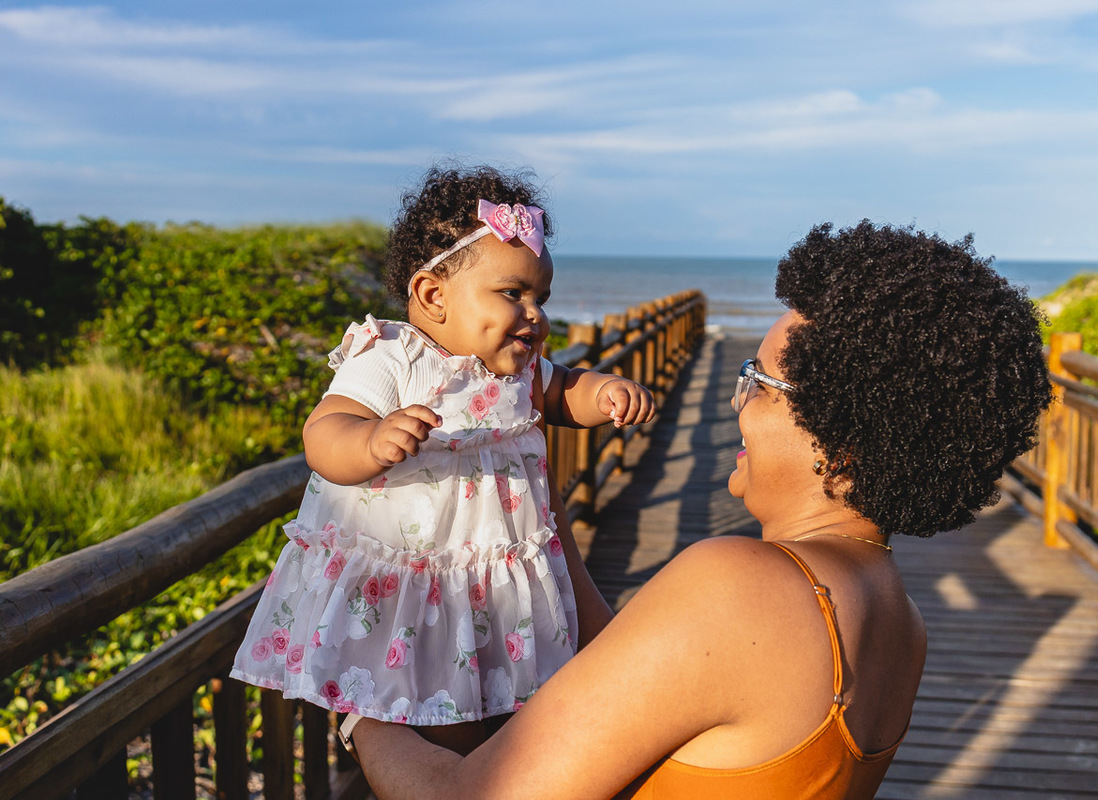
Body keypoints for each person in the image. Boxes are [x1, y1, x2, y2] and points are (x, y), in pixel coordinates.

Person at [344, 219, 1054, 799]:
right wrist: (543, 514)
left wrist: (359, 715)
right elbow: (651, 679)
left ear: (843, 434)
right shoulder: (900, 619)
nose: (736, 400)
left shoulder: (744, 586)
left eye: (762, 383)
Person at [231, 165, 652, 755]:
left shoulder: (520, 370)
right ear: (432, 296)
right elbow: (323, 433)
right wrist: (370, 440)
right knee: (441, 721)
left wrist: (603, 392)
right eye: (513, 294)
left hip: (497, 585)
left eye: (541, 298)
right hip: (419, 588)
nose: (535, 315)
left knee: (517, 715)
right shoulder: (393, 357)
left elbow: (563, 392)